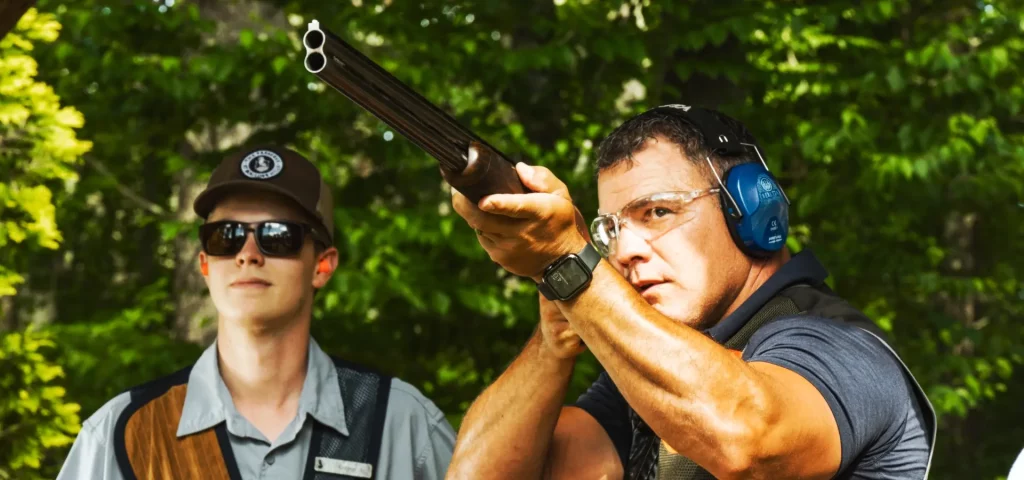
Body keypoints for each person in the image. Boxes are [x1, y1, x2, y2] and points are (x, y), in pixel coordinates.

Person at [447, 105, 936, 479]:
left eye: (658, 212)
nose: (625, 251)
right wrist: (557, 332)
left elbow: (745, 438)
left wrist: (569, 263)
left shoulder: (838, 349)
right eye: (611, 229)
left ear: (749, 207)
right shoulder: (655, 379)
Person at [57, 145, 456, 480]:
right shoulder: (125, 433)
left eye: (277, 237)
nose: (248, 255)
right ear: (206, 265)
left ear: (322, 265)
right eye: (225, 237)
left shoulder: (401, 425)